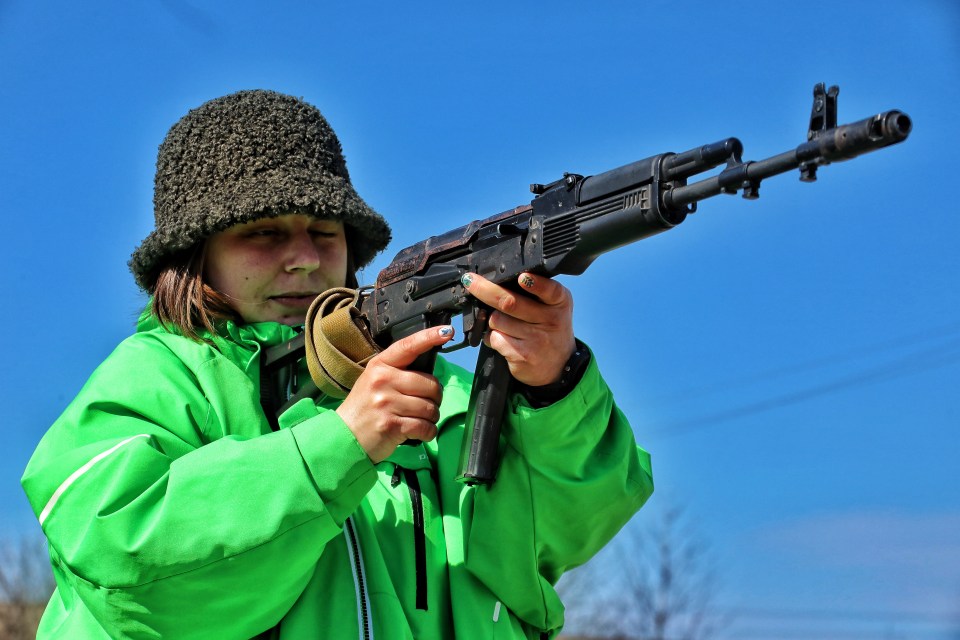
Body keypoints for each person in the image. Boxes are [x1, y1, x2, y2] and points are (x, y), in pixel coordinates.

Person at [21, 90, 653, 639]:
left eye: (325, 231)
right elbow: (132, 569)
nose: (303, 258)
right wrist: (340, 445)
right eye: (263, 232)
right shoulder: (154, 378)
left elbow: (564, 533)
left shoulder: (439, 393)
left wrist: (551, 385)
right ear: (194, 256)